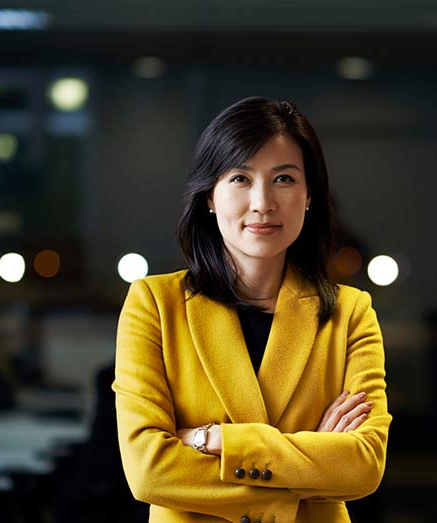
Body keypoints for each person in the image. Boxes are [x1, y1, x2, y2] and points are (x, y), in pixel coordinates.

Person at [113, 96, 392, 523]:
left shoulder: (350, 313)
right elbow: (148, 471)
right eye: (240, 178)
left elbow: (363, 466)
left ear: (309, 195)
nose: (262, 202)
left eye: (283, 179)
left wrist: (213, 439)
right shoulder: (155, 305)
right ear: (210, 196)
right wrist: (310, 461)